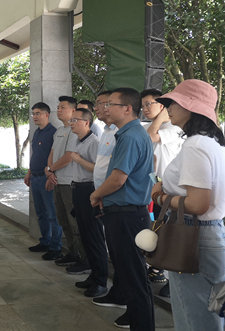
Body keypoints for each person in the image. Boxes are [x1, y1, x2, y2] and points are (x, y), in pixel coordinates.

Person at [151, 79, 225, 330]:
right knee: (209, 316)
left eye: (174, 102)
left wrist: (159, 197)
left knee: (193, 319)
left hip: (193, 237)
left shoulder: (195, 145)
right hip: (209, 234)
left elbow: (197, 204)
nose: (168, 108)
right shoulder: (211, 143)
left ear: (193, 107)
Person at [90, 88, 154, 330]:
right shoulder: (130, 133)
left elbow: (118, 179)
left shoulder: (130, 136)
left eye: (111, 104)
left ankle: (142, 324)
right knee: (129, 274)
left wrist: (96, 194)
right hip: (124, 212)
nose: (106, 108)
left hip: (127, 215)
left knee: (133, 276)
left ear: (127, 108)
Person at [141, 89, 183, 289]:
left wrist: (160, 119)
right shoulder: (152, 127)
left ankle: (165, 274)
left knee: (169, 231)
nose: (145, 108)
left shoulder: (172, 128)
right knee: (157, 228)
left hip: (171, 190)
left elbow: (150, 137)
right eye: (142, 105)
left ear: (162, 106)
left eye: (149, 104)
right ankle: (156, 267)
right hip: (155, 188)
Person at [47, 96, 88, 271]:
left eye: (62, 107)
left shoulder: (74, 131)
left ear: (73, 111)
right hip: (57, 181)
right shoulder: (59, 131)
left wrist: (51, 168)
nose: (58, 110)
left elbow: (69, 156)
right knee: (63, 220)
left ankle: (85, 258)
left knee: (75, 223)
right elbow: (52, 152)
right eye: (58, 107)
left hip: (69, 183)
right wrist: (49, 171)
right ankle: (73, 252)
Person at [68, 108, 105, 298]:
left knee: (94, 236)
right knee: (85, 235)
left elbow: (99, 170)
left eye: (75, 120)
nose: (71, 123)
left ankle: (101, 281)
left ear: (87, 122)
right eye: (71, 120)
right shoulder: (78, 140)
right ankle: (93, 275)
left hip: (89, 189)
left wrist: (79, 160)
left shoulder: (94, 142)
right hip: (78, 189)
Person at [24, 103, 62, 259]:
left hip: (46, 178)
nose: (35, 116)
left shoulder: (54, 133)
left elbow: (56, 157)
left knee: (52, 214)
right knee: (40, 213)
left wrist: (51, 176)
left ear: (47, 114)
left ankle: (56, 247)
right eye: (33, 113)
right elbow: (35, 155)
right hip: (35, 177)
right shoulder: (37, 132)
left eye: (38, 113)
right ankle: (45, 241)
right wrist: (29, 172)